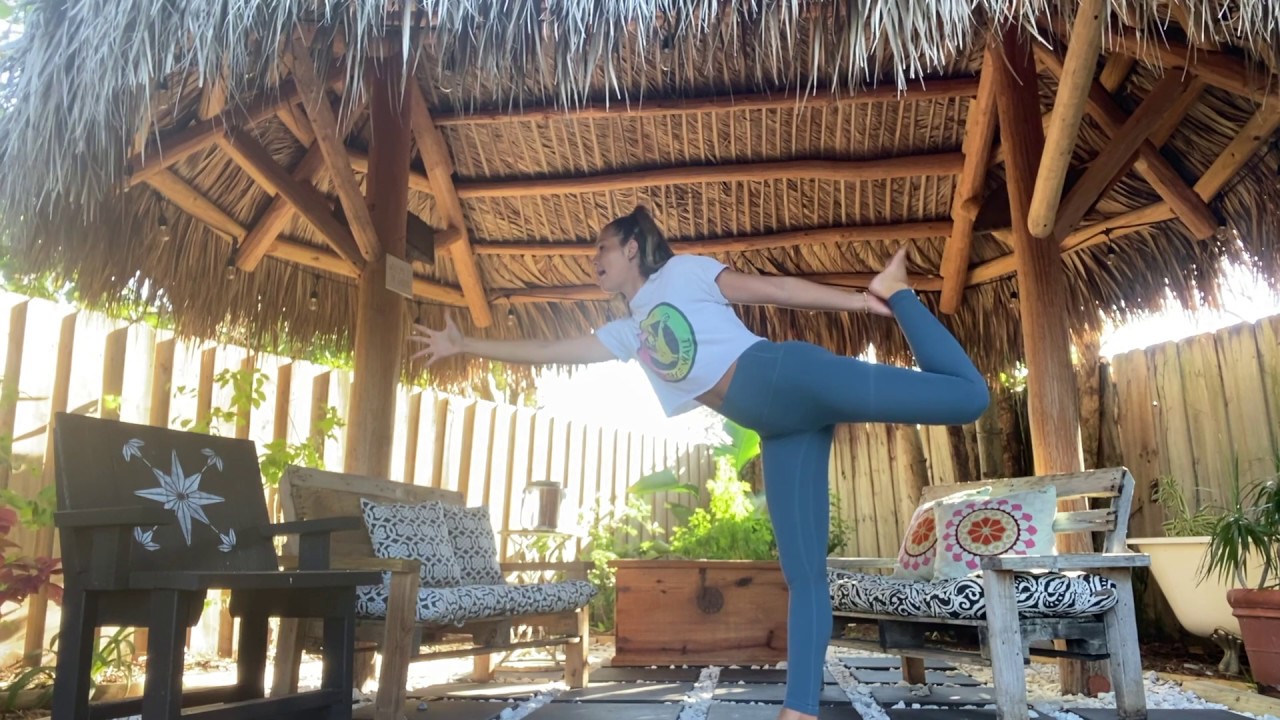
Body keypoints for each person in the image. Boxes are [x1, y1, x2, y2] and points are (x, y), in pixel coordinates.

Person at [409, 205, 990, 720]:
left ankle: (899, 293)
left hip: (792, 376)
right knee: (804, 575)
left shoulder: (683, 273)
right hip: (780, 428)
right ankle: (800, 709)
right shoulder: (631, 333)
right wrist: (466, 345)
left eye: (602, 248)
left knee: (968, 398)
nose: (594, 259)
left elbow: (775, 291)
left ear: (631, 247)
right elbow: (547, 349)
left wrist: (864, 300)